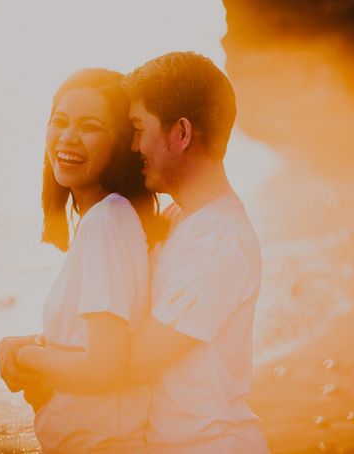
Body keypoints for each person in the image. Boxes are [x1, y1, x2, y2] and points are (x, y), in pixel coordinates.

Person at [0, 68, 159, 453]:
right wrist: (38, 345)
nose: (68, 137)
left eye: (90, 126)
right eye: (60, 122)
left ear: (120, 144)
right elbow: (91, 345)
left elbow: (104, 367)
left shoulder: (106, 222)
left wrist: (24, 354)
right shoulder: (107, 219)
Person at [123, 51, 269, 453]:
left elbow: (138, 360)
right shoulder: (180, 219)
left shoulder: (220, 241)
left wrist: (39, 360)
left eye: (138, 128)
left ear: (181, 134)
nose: (133, 145)